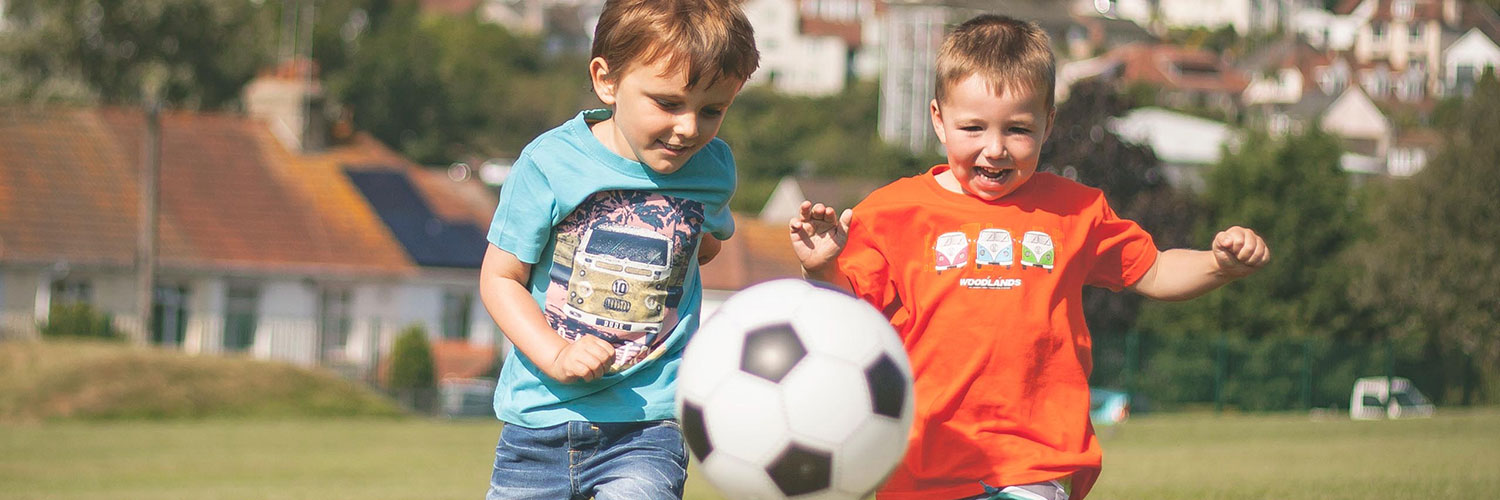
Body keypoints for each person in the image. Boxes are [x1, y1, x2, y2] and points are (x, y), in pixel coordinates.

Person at [789, 14, 1269, 500]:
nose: (994, 149)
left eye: (1017, 130)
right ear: (938, 118)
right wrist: (822, 266)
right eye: (972, 127)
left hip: (1035, 459)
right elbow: (848, 315)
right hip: (923, 460)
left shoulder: (1077, 209)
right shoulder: (892, 212)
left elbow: (1156, 270)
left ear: (1048, 123)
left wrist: (1218, 264)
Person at [478, 1, 757, 498]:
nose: (690, 127)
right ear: (607, 80)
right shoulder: (549, 164)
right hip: (537, 423)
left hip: (648, 425)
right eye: (669, 103)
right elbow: (501, 278)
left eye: (712, 110)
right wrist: (557, 353)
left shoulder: (713, 169)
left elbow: (702, 247)